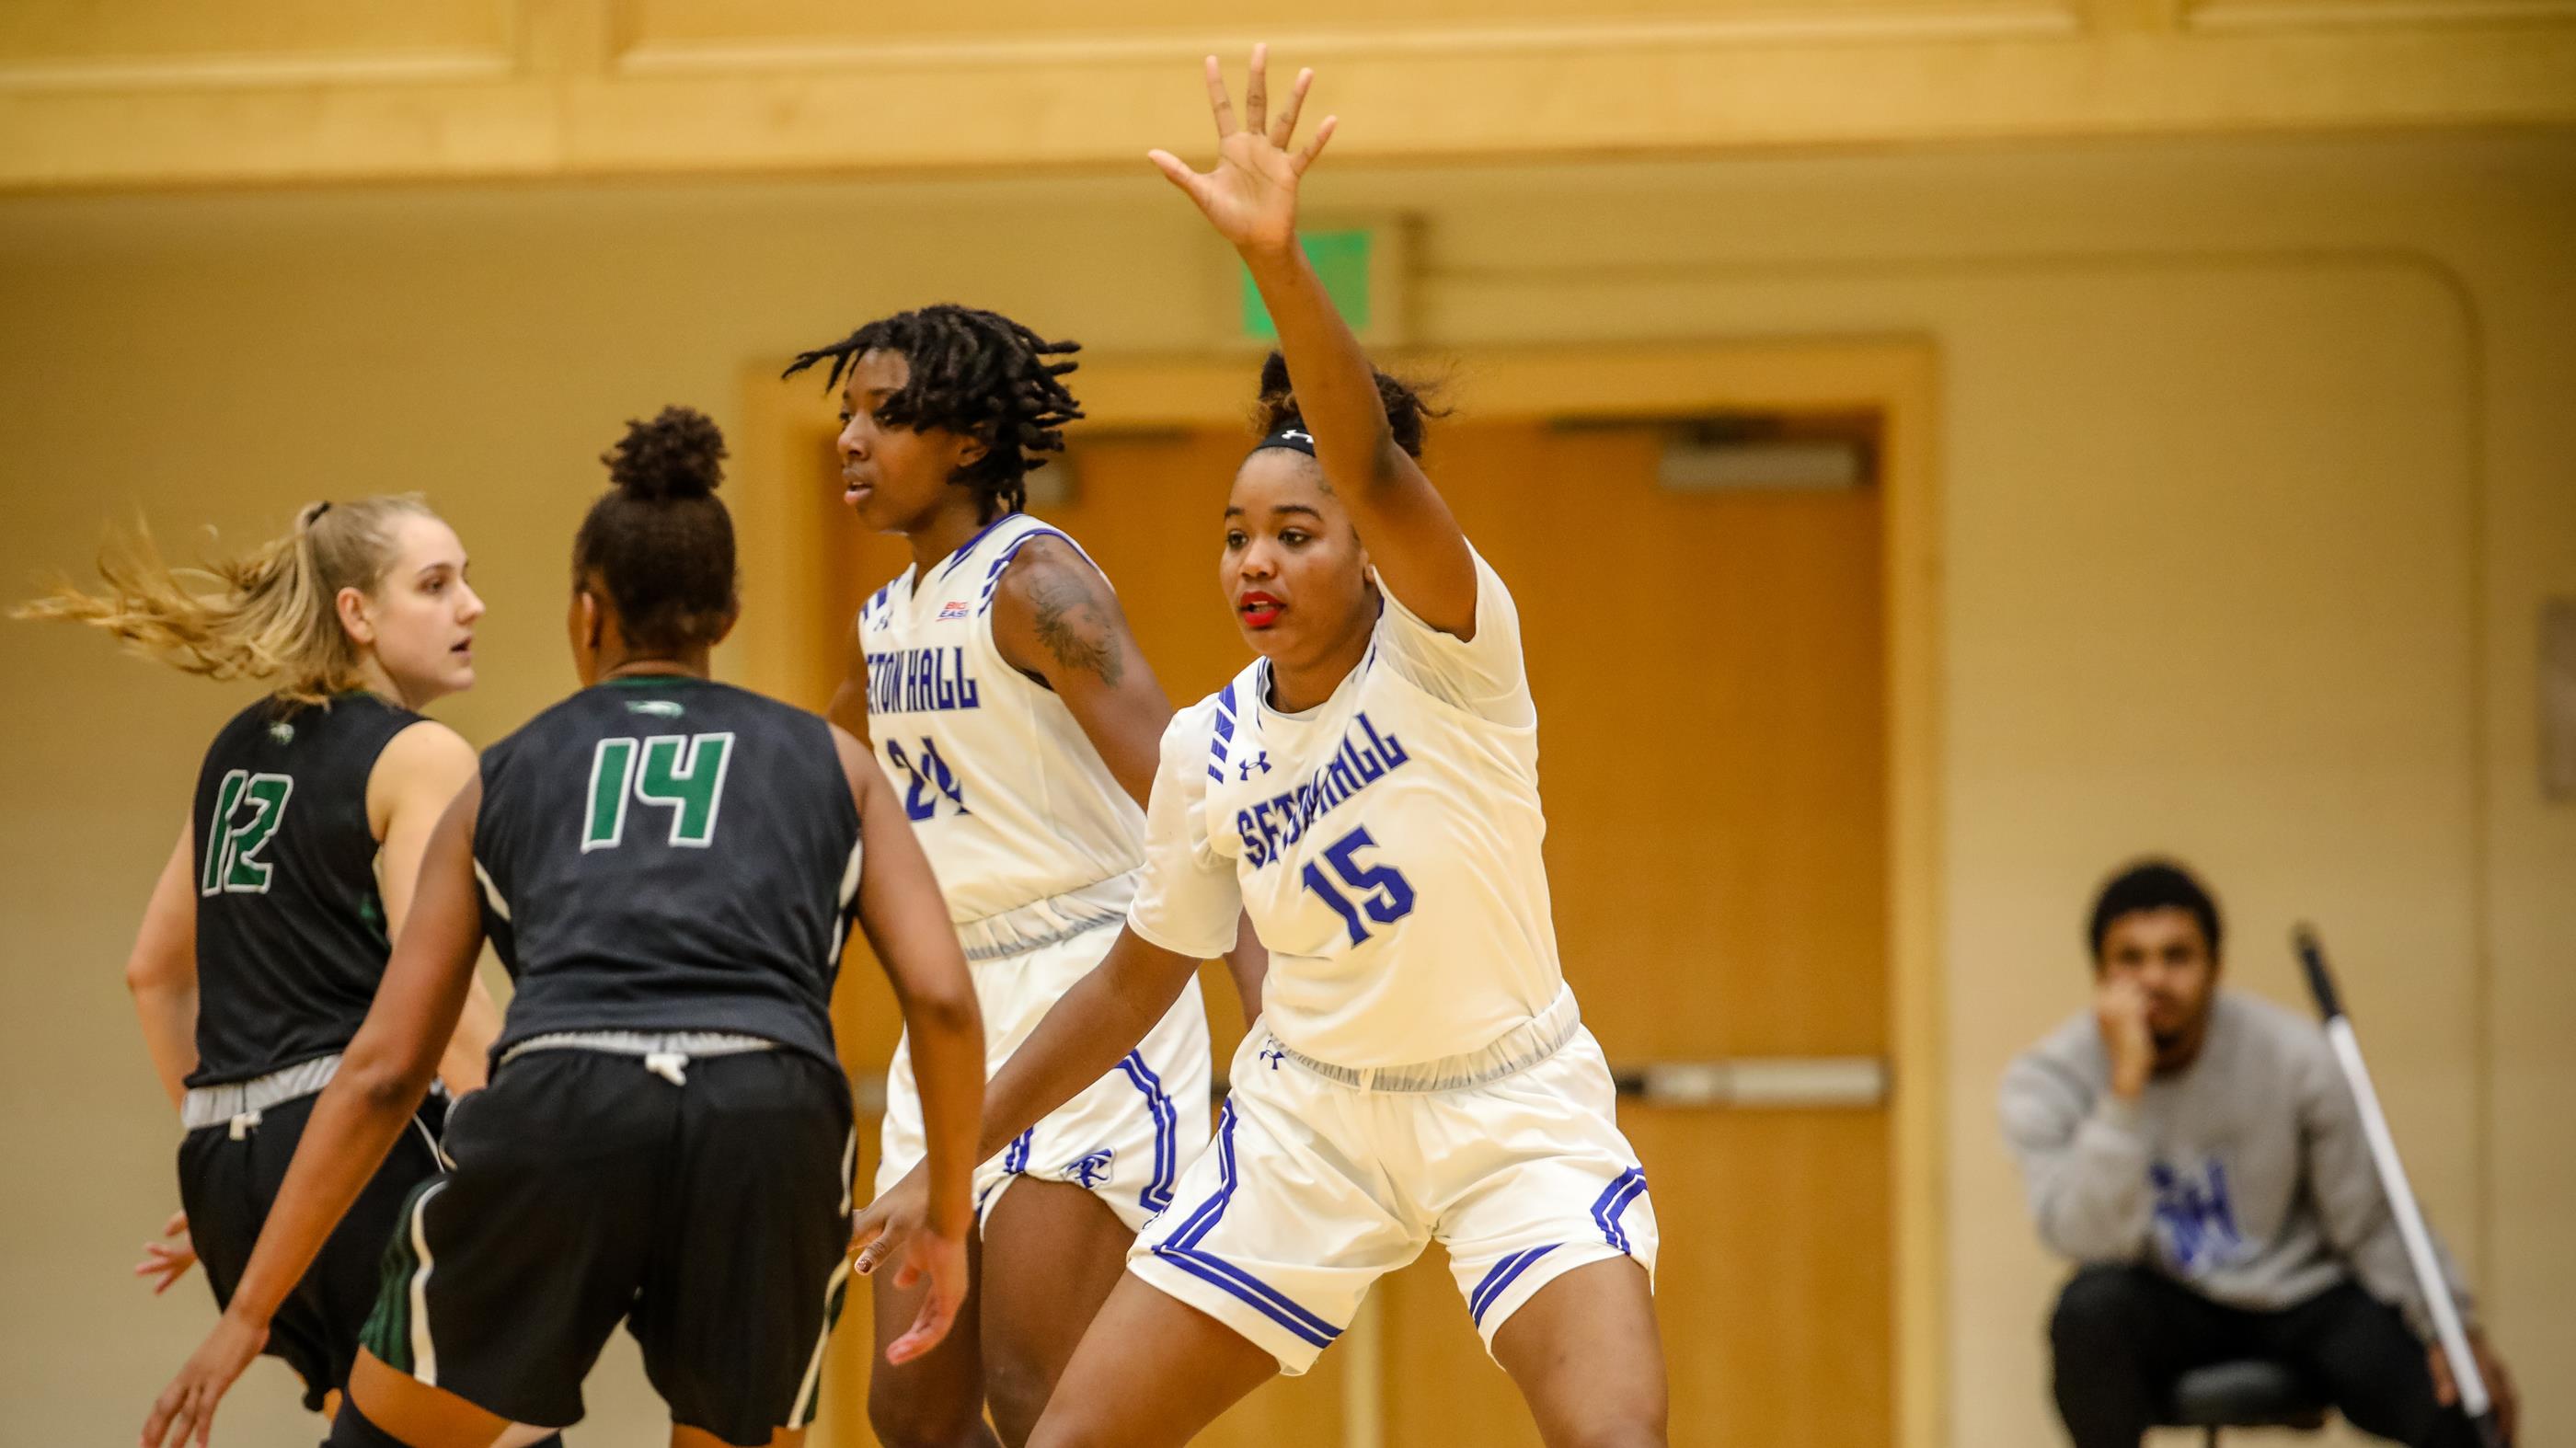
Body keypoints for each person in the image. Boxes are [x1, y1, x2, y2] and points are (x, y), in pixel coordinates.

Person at [852, 50, 1668, 1448]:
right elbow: (1127, 987)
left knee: (1615, 1434)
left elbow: (1373, 463)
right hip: (1311, 1126)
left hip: (1508, 1105)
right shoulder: (1207, 744)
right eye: (1237, 532)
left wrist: (1280, 262)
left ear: (1369, 551)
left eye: (1297, 532)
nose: (1257, 556)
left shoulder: (1454, 652)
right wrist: (956, 1151)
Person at [141, 408, 986, 1448]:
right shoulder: (833, 761)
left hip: (561, 1103)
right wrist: (948, 1215)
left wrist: (245, 1310)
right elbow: (944, 1000)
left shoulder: (501, 773)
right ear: (727, 611)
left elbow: (386, 1066)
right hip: (768, 1117)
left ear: (587, 614)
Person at [786, 305, 1256, 1445]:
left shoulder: (1038, 583)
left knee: (1039, 1391)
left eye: (885, 416)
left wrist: (1273, 1007)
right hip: (953, 1013)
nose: (851, 439)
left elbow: (1192, 802)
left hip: (1091, 988)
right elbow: (817, 786)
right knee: (909, 1407)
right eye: (846, 414)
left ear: (966, 440)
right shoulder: (883, 620)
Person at [17, 496, 512, 1430]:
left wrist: (245, 1145)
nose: (472, 605)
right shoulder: (420, 754)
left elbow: (152, 972)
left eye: (467, 578)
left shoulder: (237, 746)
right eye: (438, 584)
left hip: (225, 1181)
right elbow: (444, 1011)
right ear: (357, 613)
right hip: (357, 1164)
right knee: (501, 1417)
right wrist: (563, 1164)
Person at [2000, 858, 2520, 1448]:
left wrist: (2451, 1329)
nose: (2154, 979)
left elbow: (2370, 1218)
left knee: (2454, 1403)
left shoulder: (2296, 1057)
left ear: (2215, 967)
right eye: (2131, 959)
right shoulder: (2044, 1081)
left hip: (2298, 1292)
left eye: (2176, 956)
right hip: (2164, 1296)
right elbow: (2086, 1242)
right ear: (2100, 974)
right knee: (2086, 1314)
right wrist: (2126, 1089)